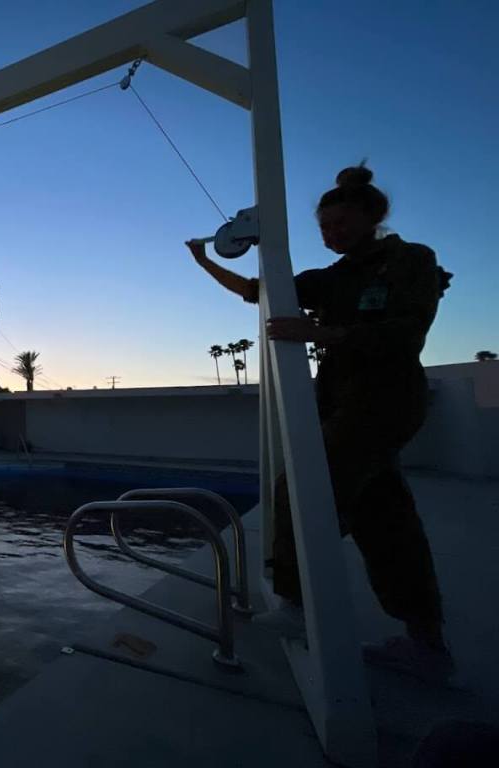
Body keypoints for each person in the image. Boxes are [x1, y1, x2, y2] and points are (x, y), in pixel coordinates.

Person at [188, 164, 453, 681]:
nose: (332, 235)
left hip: (387, 401)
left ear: (372, 218)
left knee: (302, 488)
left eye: (341, 224)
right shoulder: (333, 278)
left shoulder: (412, 260)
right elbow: (257, 290)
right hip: (342, 402)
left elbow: (407, 332)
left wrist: (323, 334)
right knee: (386, 522)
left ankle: (296, 603)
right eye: (325, 228)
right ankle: (428, 646)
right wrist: (204, 261)